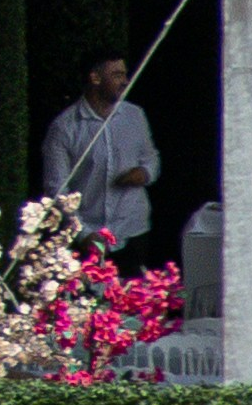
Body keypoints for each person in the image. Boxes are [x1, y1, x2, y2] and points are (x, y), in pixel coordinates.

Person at [37, 52, 163, 262]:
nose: (125, 81)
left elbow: (151, 158)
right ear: (95, 78)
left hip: (132, 230)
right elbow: (57, 188)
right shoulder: (65, 128)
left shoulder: (135, 116)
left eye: (124, 75)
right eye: (117, 75)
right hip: (89, 234)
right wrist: (84, 233)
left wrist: (145, 172)